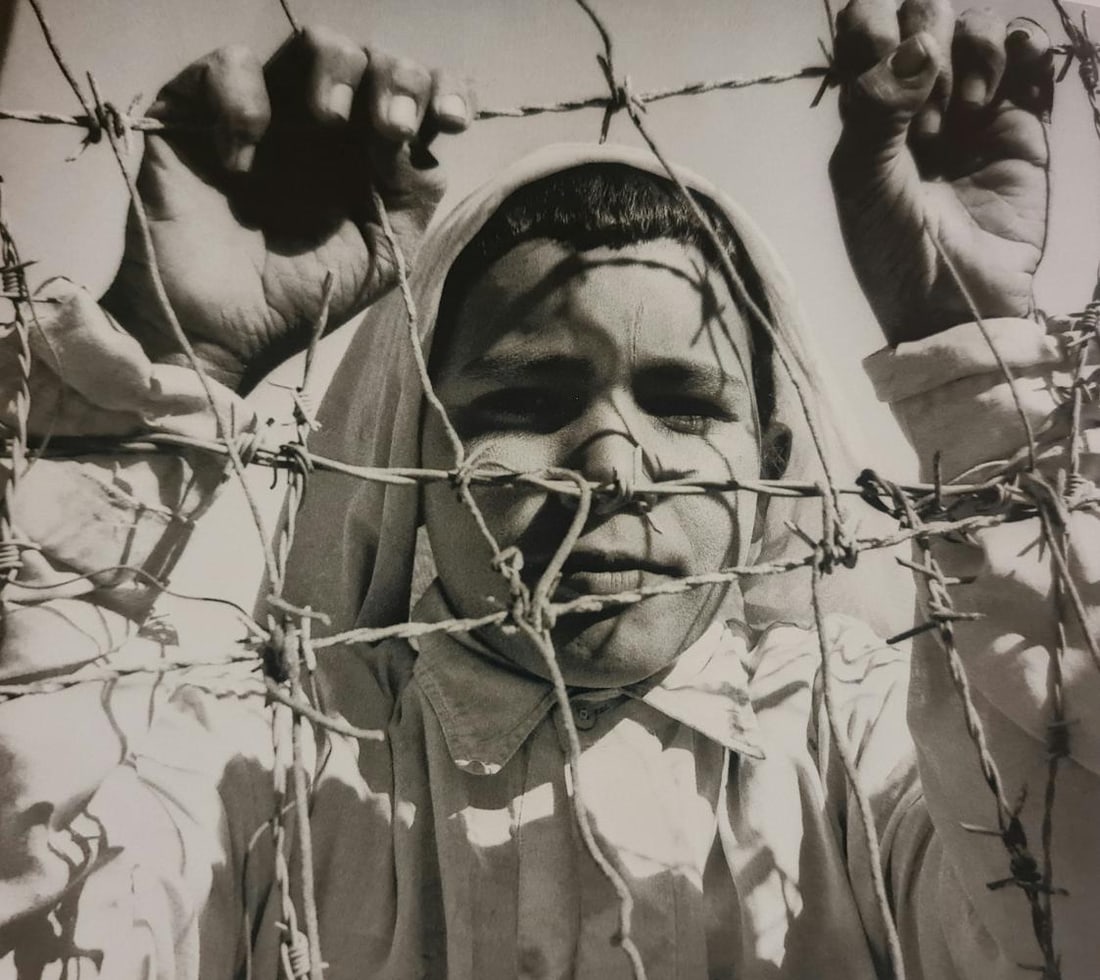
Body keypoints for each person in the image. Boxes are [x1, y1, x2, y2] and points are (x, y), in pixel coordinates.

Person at [1, 2, 1096, 978]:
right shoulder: (265, 765)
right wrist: (164, 369)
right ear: (410, 453)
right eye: (525, 402)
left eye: (682, 404)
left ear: (770, 462)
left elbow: (1065, 910)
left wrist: (978, 377)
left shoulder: (869, 744)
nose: (611, 469)